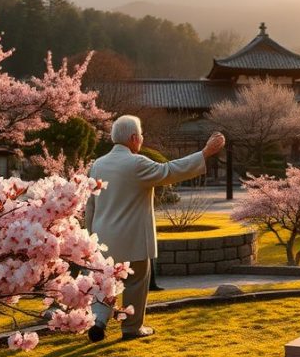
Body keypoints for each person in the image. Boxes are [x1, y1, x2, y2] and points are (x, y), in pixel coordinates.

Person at [83, 115, 225, 342]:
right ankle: (131, 328)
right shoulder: (136, 163)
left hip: (102, 238)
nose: (141, 139)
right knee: (135, 283)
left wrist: (90, 237)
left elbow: (90, 205)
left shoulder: (97, 164)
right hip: (132, 239)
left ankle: (99, 321)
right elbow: (170, 171)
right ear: (133, 138)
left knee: (104, 281)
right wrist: (205, 153)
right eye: (141, 135)